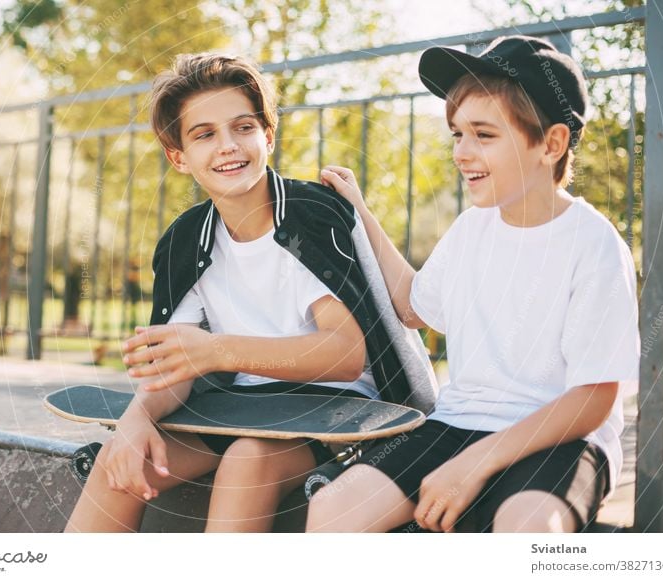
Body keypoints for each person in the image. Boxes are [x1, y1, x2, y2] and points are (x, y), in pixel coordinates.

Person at [65, 53, 433, 533]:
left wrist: (215, 350)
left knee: (247, 461)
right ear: (179, 157)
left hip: (337, 411)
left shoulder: (309, 217)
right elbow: (177, 364)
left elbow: (342, 355)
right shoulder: (185, 240)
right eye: (204, 134)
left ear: (268, 136)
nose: (228, 146)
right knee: (123, 462)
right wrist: (136, 421)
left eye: (242, 127)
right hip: (243, 408)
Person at [307, 36, 640, 533]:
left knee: (526, 529)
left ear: (551, 144)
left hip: (562, 437)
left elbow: (592, 400)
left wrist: (474, 465)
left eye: (484, 135)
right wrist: (359, 212)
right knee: (332, 511)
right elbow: (415, 307)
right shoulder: (470, 229)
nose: (462, 152)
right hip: (457, 423)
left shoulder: (593, 243)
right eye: (457, 134)